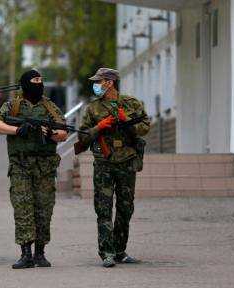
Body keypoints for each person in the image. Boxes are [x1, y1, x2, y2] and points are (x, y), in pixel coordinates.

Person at [0, 69, 67, 269]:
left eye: (41, 81)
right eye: (35, 81)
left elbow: (63, 132)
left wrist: (51, 133)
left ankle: (40, 253)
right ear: (25, 84)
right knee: (23, 209)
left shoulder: (50, 107)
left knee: (44, 209)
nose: (39, 84)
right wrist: (17, 130)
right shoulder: (13, 105)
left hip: (45, 167)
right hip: (20, 165)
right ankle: (26, 254)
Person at [77, 68, 150, 268]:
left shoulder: (132, 104)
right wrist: (99, 127)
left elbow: (145, 126)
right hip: (104, 163)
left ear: (109, 82)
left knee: (126, 208)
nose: (96, 85)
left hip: (127, 162)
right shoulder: (93, 109)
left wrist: (127, 122)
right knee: (103, 208)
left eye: (99, 81)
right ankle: (107, 252)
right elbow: (82, 137)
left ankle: (120, 250)